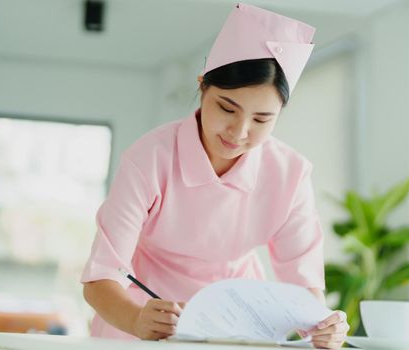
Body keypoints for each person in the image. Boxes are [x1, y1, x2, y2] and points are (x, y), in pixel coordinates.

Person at [81, 3, 349, 349]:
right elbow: (100, 276)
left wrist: (321, 326)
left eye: (262, 119)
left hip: (237, 324)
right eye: (227, 107)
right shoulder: (149, 159)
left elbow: (304, 285)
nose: (239, 132)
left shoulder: (290, 174)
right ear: (202, 87)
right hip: (140, 316)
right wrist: (136, 318)